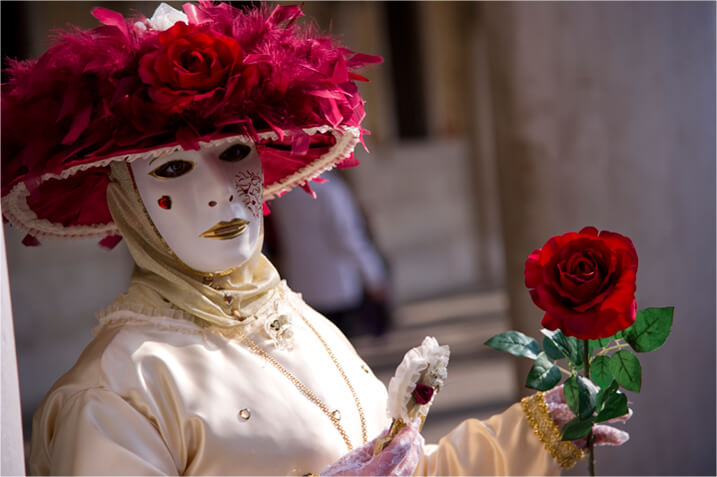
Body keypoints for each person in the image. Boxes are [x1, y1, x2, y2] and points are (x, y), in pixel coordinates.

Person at [1, 3, 629, 475]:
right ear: (127, 202)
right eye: (172, 168)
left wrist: (537, 430)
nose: (219, 192)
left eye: (235, 152)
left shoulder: (304, 322)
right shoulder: (112, 392)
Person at [269, 169, 391, 338]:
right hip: (337, 285)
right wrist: (373, 275)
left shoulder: (284, 192)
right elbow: (347, 237)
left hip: (302, 285)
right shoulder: (330, 189)